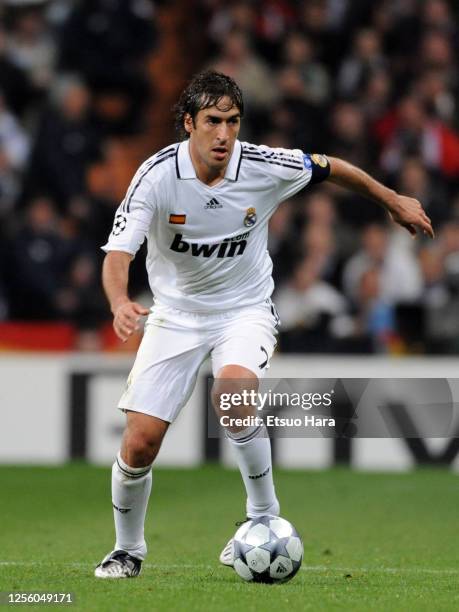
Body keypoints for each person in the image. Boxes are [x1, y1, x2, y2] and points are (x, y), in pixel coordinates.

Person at [94, 70, 433, 578]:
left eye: (232, 121)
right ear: (188, 123)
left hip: (244, 309)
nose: (224, 134)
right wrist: (120, 301)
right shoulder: (157, 176)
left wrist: (392, 200)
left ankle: (262, 518)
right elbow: (119, 251)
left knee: (232, 396)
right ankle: (128, 550)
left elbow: (331, 167)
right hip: (176, 315)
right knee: (140, 441)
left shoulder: (261, 164)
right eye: (212, 121)